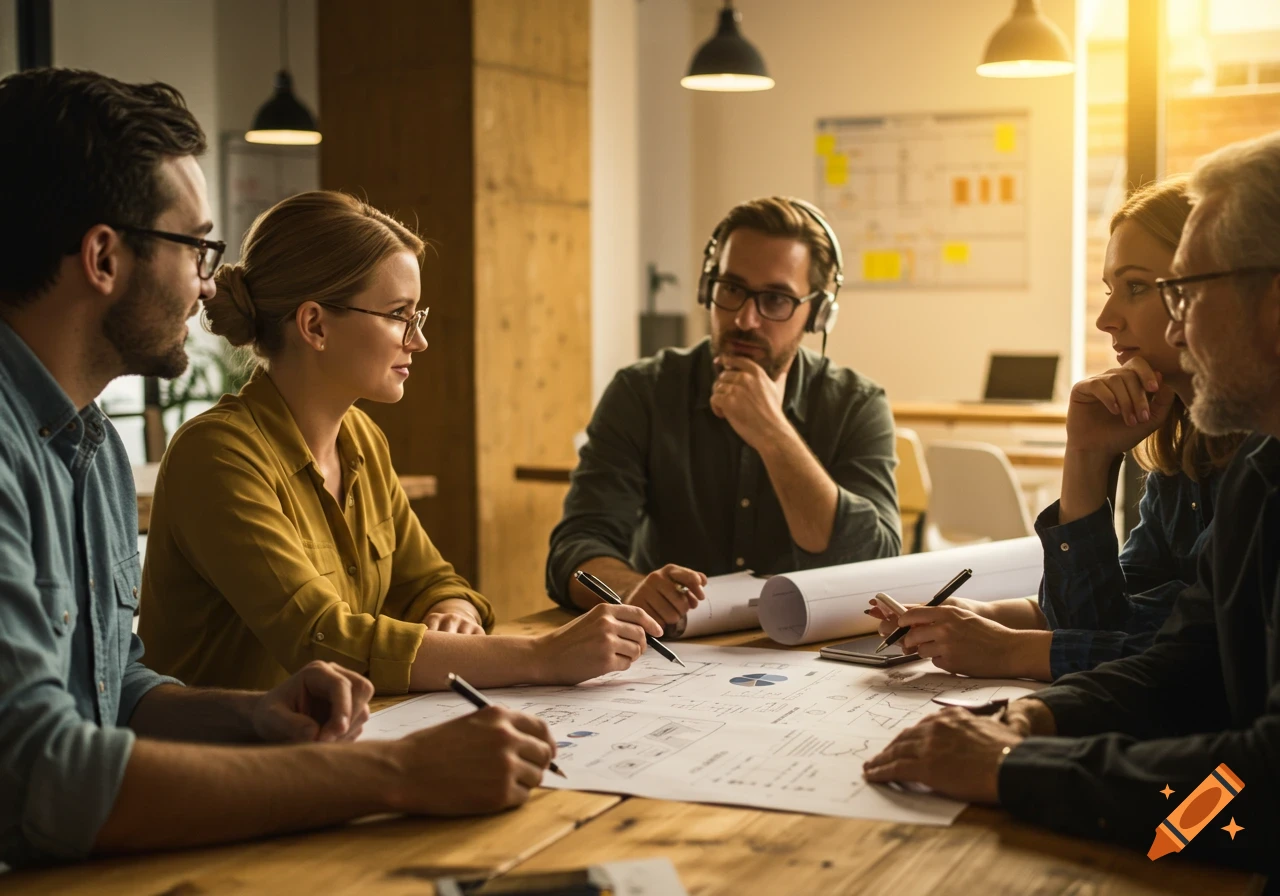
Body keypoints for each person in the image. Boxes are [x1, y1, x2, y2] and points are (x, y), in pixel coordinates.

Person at [0, 68, 557, 866]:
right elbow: (40, 774)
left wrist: (253, 715)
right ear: (102, 257)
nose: (208, 282)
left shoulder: (88, 450)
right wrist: (394, 771)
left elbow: (108, 688)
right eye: (195, 245)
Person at [863, 131, 1280, 874]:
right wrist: (1033, 717)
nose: (1174, 328)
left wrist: (1015, 771)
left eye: (1183, 293)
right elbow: (1190, 668)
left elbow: (1259, 785)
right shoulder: (1260, 467)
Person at [138, 190, 661, 694]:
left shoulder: (361, 438)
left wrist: (452, 612)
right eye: (397, 315)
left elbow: (433, 580)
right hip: (222, 766)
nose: (419, 339)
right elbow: (324, 641)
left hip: (335, 743)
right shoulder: (217, 456)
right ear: (315, 325)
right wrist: (542, 657)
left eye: (416, 316)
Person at [867, 177, 1242, 681]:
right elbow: (1105, 619)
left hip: (1236, 764)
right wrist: (1086, 454)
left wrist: (1009, 650)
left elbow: (1200, 658)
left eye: (1134, 287)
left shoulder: (1261, 461)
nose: (1106, 319)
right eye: (1110, 290)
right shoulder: (1184, 457)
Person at [546, 196, 901, 626]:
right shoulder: (643, 392)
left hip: (807, 652)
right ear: (707, 289)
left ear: (818, 314)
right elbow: (576, 547)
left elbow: (875, 562)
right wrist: (630, 591)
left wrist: (772, 432)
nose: (746, 319)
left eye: (775, 299)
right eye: (731, 289)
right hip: (668, 654)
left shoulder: (857, 405)